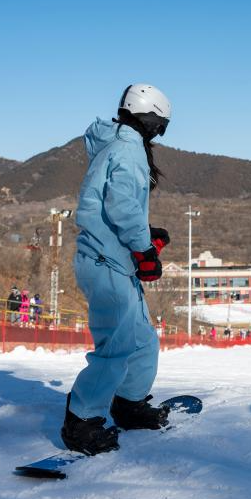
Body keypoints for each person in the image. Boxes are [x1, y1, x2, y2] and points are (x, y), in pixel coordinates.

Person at [61, 83, 174, 456]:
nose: (159, 133)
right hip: (105, 260)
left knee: (142, 340)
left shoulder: (119, 144)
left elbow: (114, 205)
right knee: (117, 346)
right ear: (150, 118)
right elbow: (122, 206)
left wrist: (144, 236)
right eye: (160, 125)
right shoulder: (128, 149)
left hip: (114, 259)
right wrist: (144, 248)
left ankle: (128, 403)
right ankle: (81, 422)